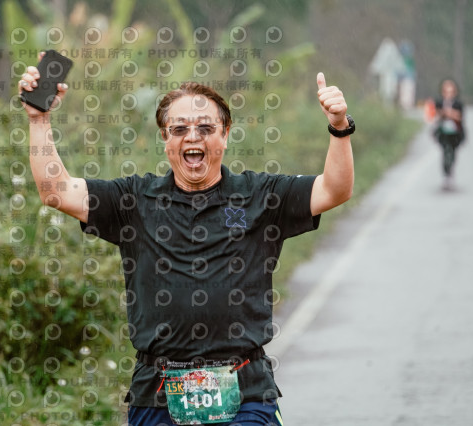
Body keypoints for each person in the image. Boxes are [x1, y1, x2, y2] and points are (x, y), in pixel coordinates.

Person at [19, 53, 354, 425]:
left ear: (225, 134)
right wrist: (39, 119)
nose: (192, 137)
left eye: (206, 128)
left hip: (245, 390)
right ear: (165, 139)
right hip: (157, 392)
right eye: (179, 129)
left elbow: (335, 189)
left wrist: (339, 127)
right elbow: (56, 192)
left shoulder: (261, 195)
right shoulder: (134, 201)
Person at [432, 78, 465, 190]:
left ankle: (450, 171)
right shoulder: (439, 102)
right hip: (443, 133)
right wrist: (446, 113)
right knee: (446, 151)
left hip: (455, 133)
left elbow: (460, 117)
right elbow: (436, 115)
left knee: (452, 152)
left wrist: (449, 113)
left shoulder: (458, 103)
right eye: (446, 91)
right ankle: (446, 174)